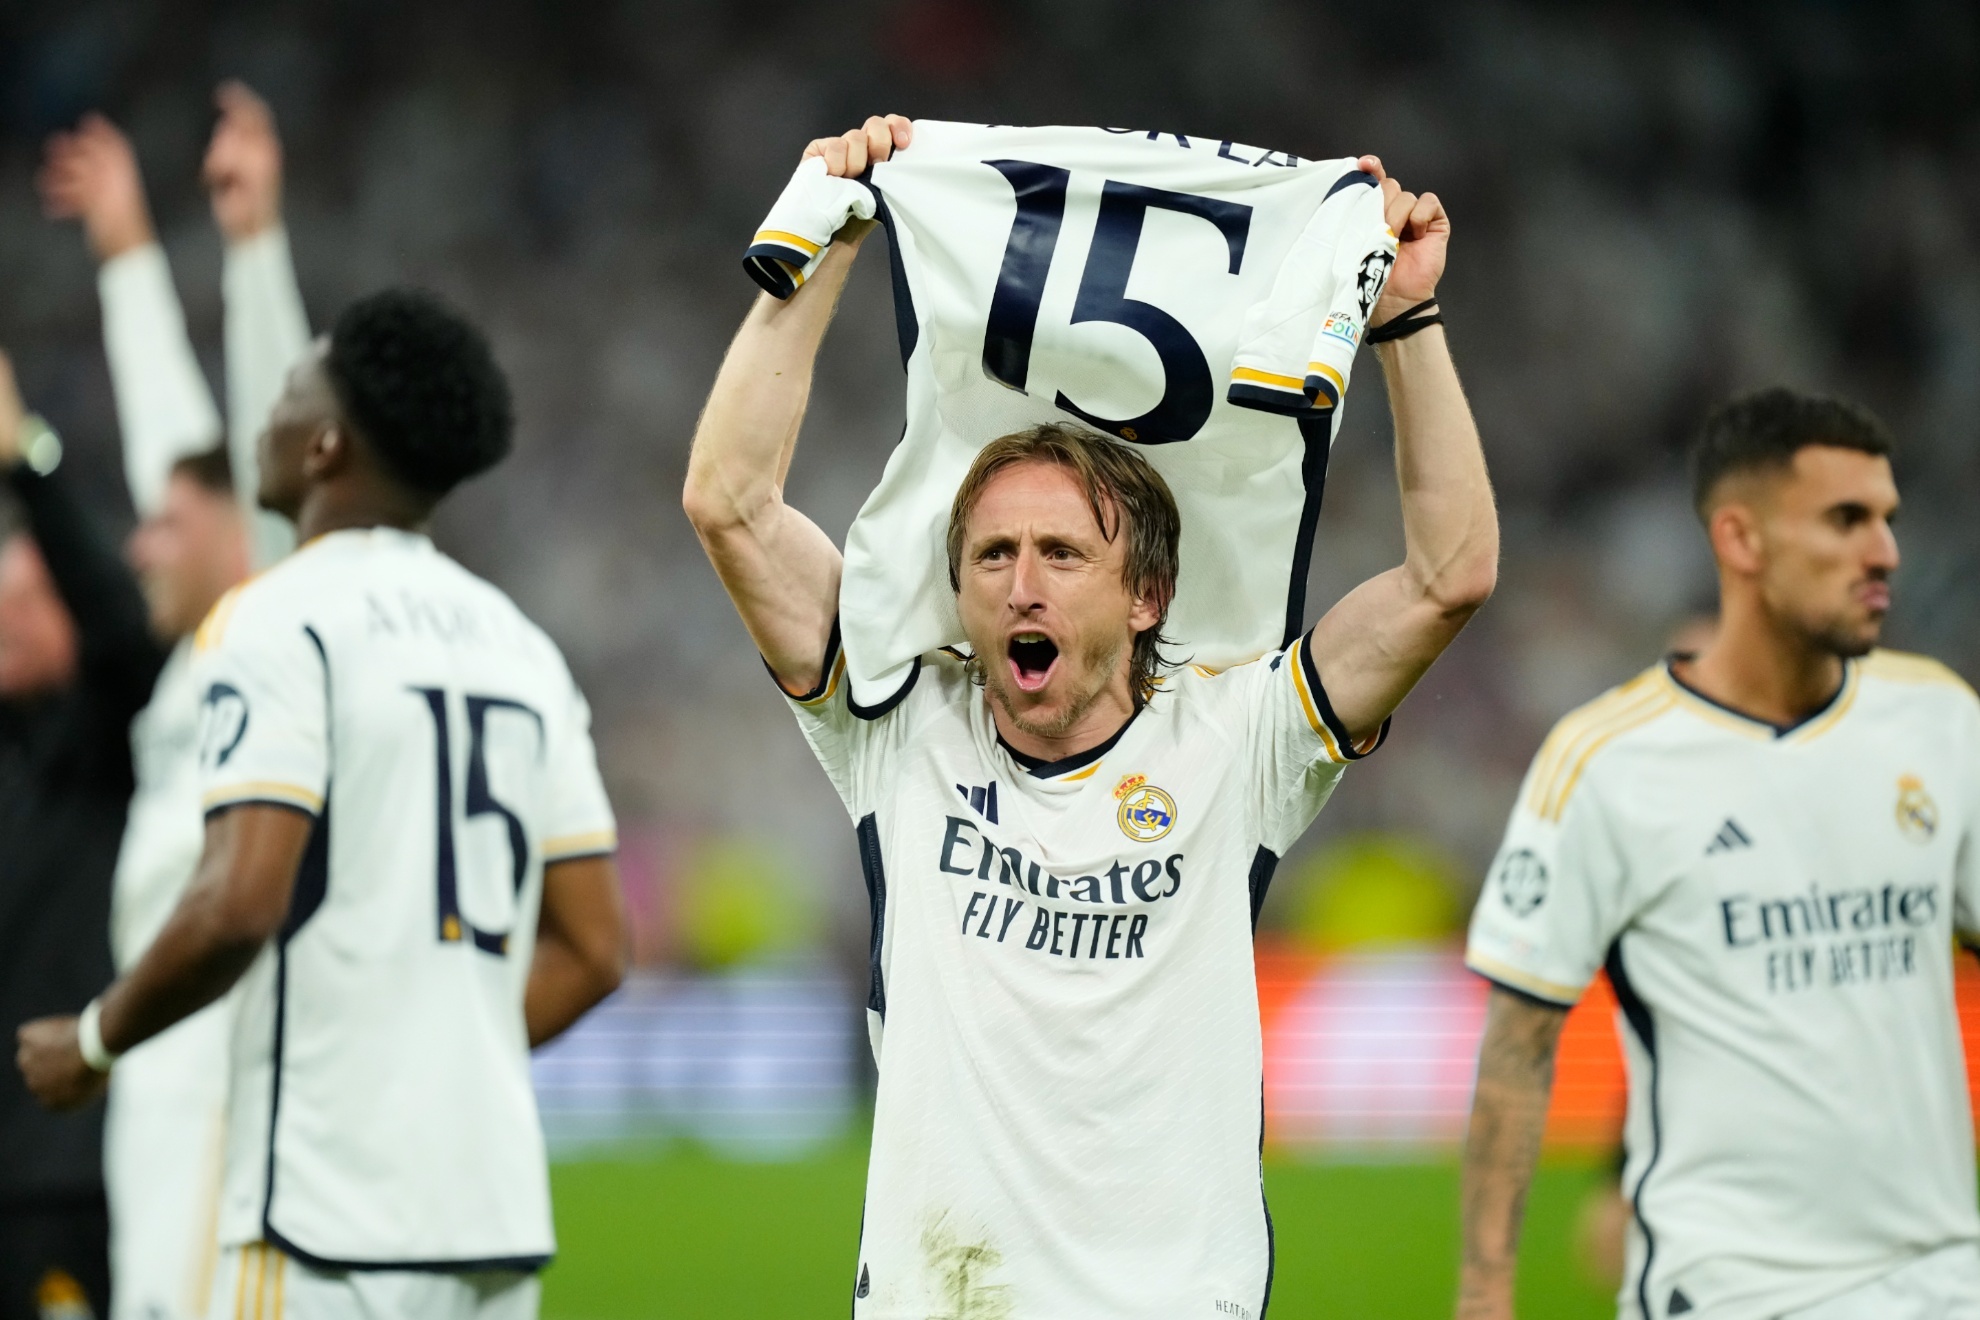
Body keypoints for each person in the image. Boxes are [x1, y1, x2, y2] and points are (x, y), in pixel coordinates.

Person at [683, 116, 1495, 1317]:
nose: (1020, 582)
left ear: (1149, 593)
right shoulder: (899, 724)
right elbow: (730, 507)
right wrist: (841, 234)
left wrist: (1410, 327)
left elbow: (1449, 578)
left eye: (1063, 552)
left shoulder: (1242, 741)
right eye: (993, 553)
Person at [17, 289, 630, 1320]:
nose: (266, 411)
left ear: (327, 445)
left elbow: (237, 903)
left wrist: (93, 1042)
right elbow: (598, 949)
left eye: (291, 389)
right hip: (488, 1220)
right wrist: (435, 1055)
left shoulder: (276, 621)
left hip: (325, 1222)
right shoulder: (523, 648)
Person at [1458, 389, 1980, 1320]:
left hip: (1943, 1282)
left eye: (1889, 520)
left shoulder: (1940, 721)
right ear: (1741, 541)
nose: (1886, 553)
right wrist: (1486, 1292)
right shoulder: (1608, 761)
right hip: (1731, 1288)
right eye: (1847, 520)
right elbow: (1519, 1041)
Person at [39, 84, 309, 1320]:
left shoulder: (269, 632)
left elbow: (263, 437)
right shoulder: (195, 662)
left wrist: (252, 249)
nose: (140, 542)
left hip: (222, 1076)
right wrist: (126, 249)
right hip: (155, 1079)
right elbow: (174, 448)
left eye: (164, 522)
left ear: (244, 534)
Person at [0, 353, 164, 1320]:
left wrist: (27, 460)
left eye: (26, 606)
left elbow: (117, 630)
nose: (2, 624)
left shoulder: (112, 744)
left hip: (67, 1174)